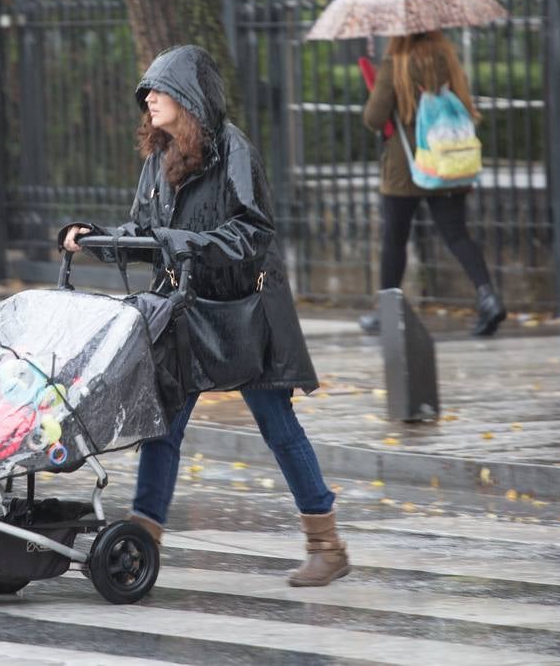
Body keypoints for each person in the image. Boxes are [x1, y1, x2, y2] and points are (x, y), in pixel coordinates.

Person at [61, 45, 350, 588]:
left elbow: (254, 232)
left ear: (188, 98)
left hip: (245, 314)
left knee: (278, 426)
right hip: (187, 311)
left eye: (158, 89)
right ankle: (141, 543)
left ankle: (327, 545)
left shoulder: (232, 150)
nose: (146, 97)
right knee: (162, 423)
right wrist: (91, 239)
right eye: (145, 90)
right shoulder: (159, 156)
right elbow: (145, 234)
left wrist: (186, 243)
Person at [360, 30, 506, 336]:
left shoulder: (395, 63)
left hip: (406, 168)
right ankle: (488, 297)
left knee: (395, 239)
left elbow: (374, 118)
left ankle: (387, 312)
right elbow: (465, 105)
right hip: (447, 161)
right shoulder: (448, 61)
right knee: (456, 234)